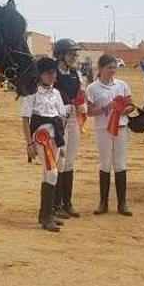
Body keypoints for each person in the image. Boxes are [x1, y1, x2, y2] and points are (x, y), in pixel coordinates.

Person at [86, 55, 135, 216]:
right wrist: (106, 107)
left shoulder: (122, 85)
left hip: (120, 127)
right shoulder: (92, 88)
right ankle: (103, 202)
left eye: (114, 67)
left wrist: (123, 110)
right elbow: (90, 112)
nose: (112, 70)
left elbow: (131, 105)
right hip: (103, 128)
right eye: (109, 67)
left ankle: (122, 203)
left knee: (120, 163)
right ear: (100, 69)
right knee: (105, 162)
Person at [21, 57, 66, 232]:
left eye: (54, 72)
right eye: (48, 73)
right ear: (40, 74)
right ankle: (47, 216)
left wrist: (62, 144)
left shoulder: (57, 94)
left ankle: (46, 214)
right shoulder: (31, 93)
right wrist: (29, 143)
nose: (52, 76)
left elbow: (61, 117)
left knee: (50, 174)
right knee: (52, 172)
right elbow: (25, 120)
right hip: (41, 137)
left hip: (55, 137)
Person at [52, 38, 85, 218]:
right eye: (71, 54)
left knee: (70, 161)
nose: (74, 57)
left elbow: (80, 92)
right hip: (58, 121)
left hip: (73, 119)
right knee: (60, 161)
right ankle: (55, 204)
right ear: (61, 55)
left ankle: (67, 202)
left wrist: (82, 104)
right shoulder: (53, 74)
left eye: (75, 54)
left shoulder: (76, 73)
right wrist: (61, 107)